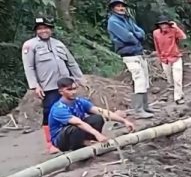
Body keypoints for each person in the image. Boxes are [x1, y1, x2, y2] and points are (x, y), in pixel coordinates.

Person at [22, 17, 85, 154]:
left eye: (46, 28)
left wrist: (79, 78)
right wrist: (35, 85)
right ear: (36, 31)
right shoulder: (30, 45)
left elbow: (71, 62)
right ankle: (51, 143)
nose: (43, 31)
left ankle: (74, 139)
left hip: (66, 85)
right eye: (40, 28)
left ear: (50, 29)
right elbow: (29, 67)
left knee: (71, 110)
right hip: (48, 86)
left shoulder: (58, 44)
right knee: (50, 113)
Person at [48, 77, 136, 152]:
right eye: (69, 90)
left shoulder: (79, 101)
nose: (73, 92)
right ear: (61, 92)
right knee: (75, 128)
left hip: (78, 131)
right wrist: (97, 134)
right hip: (62, 139)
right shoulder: (59, 108)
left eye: (74, 89)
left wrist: (124, 121)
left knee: (97, 118)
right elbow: (79, 123)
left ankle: (91, 141)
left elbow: (101, 111)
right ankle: (81, 145)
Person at [106, 0, 153, 119]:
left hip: (138, 52)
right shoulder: (113, 21)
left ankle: (145, 106)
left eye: (122, 6)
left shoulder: (127, 19)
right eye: (118, 6)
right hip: (128, 54)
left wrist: (135, 35)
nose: (121, 8)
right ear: (113, 8)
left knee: (145, 79)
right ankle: (139, 110)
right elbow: (127, 37)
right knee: (139, 79)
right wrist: (135, 36)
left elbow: (141, 33)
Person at [152, 16, 186, 105]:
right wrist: (160, 58)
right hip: (165, 59)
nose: (164, 26)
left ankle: (177, 98)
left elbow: (183, 37)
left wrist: (176, 27)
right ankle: (179, 92)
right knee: (170, 80)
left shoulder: (173, 30)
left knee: (177, 78)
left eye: (165, 24)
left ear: (168, 24)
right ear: (159, 25)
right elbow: (157, 46)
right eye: (162, 24)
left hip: (176, 57)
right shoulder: (156, 33)